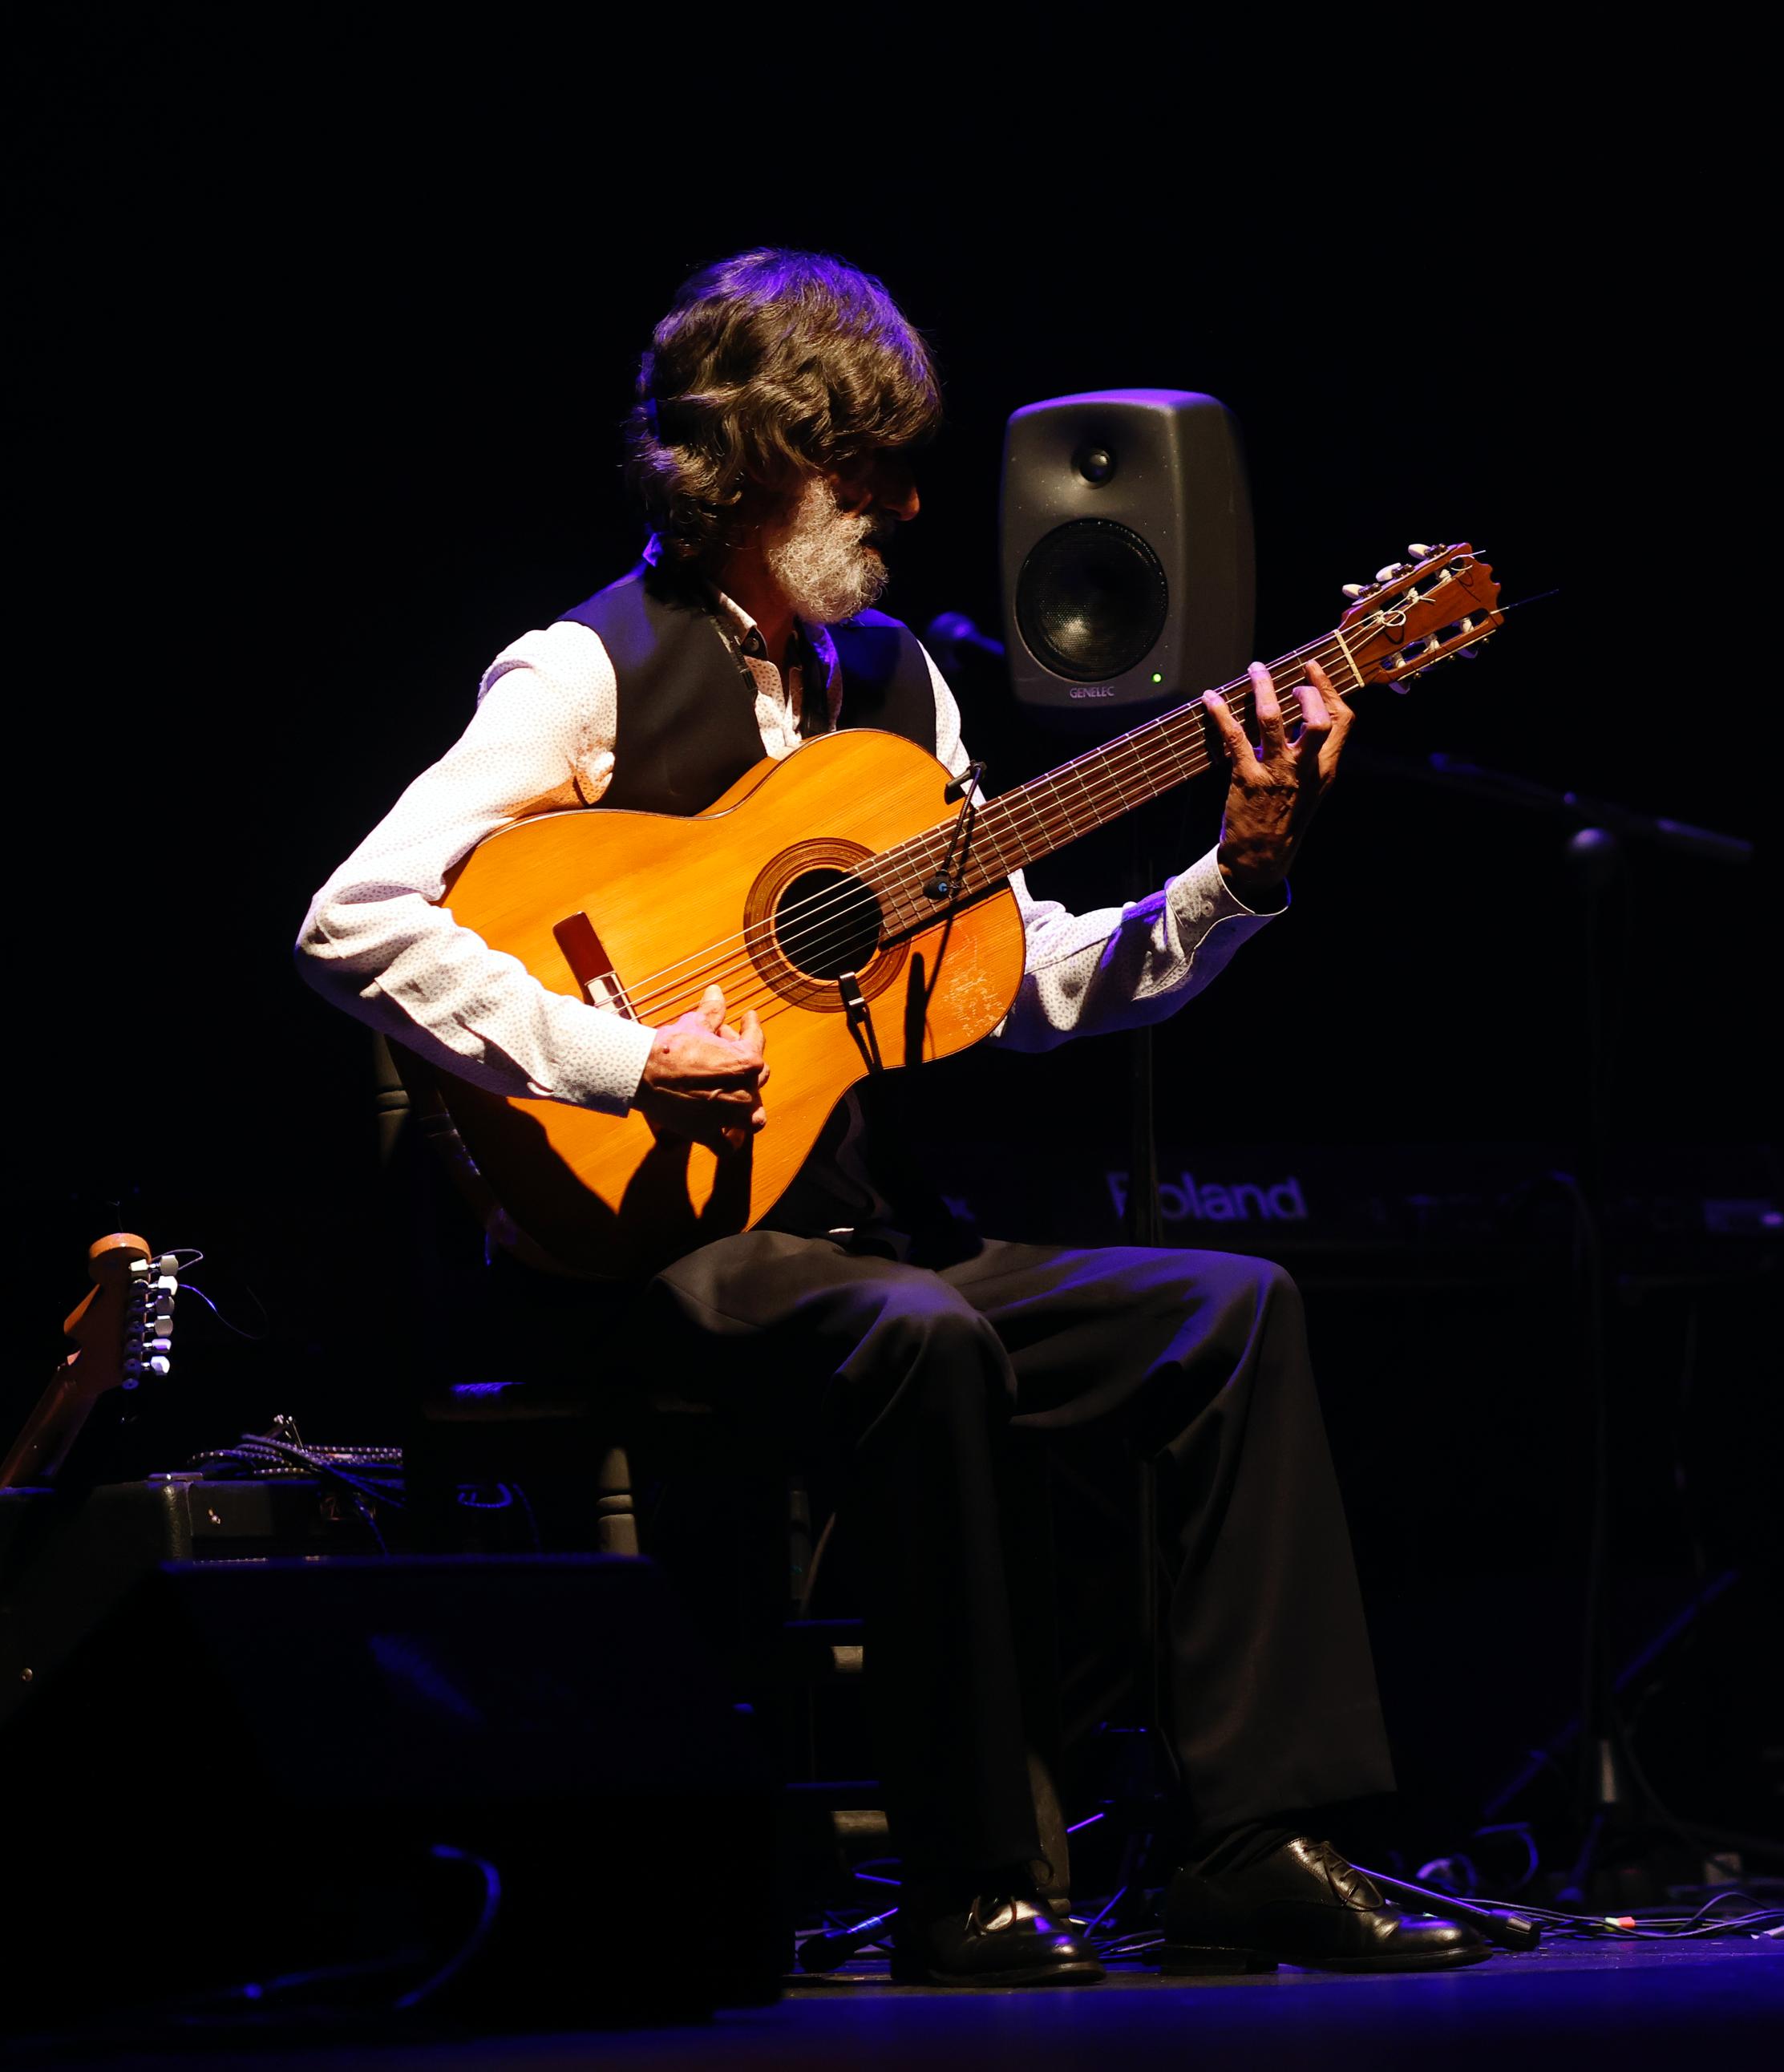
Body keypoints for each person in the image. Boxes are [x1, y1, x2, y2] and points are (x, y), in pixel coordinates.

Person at [296, 250, 1483, 1985]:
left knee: (1225, 1311)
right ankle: (970, 1882)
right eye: (867, 469)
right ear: (748, 462)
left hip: (847, 1228)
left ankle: (1255, 1840)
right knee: (914, 1334)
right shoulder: (579, 674)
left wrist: (1234, 873)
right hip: (653, 1250)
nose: (910, 503)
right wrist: (615, 1062)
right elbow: (355, 917)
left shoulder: (893, 695)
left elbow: (1020, 977)